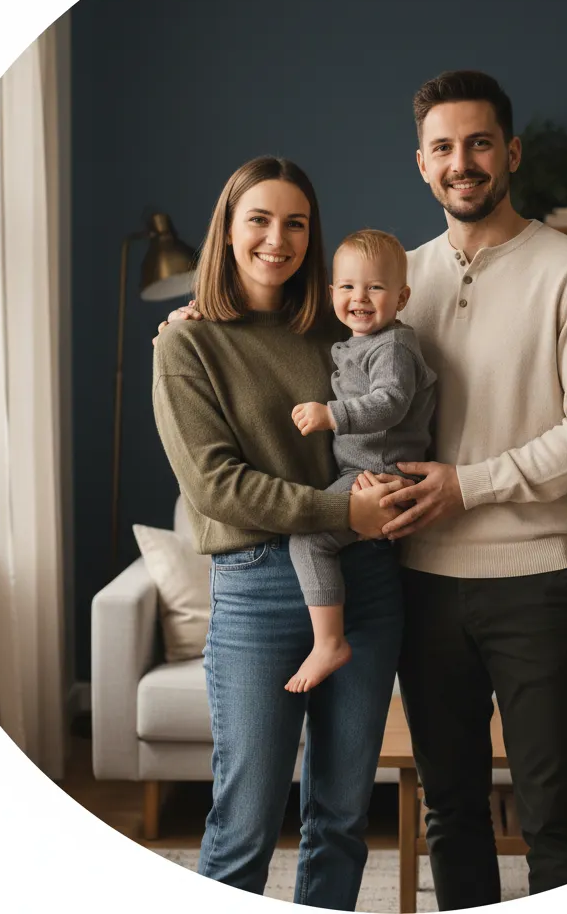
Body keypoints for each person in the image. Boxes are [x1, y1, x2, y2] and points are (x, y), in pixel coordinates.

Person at [162, 70, 567, 909]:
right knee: (440, 809)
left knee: (545, 812)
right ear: (421, 164)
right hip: (409, 577)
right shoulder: (391, 282)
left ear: (510, 152)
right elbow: (241, 426)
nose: (463, 162)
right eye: (444, 148)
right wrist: (188, 316)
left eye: (480, 143)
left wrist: (467, 487)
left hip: (518, 579)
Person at [151, 155, 405, 909]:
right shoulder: (185, 344)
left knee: (342, 816)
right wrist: (341, 514)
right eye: (259, 219)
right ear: (227, 231)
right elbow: (215, 487)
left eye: (296, 223)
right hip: (260, 587)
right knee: (246, 820)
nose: (278, 238)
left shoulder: (343, 330)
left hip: (365, 582)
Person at [285, 229, 436, 693]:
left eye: (375, 287)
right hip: (365, 472)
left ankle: (328, 642)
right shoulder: (355, 342)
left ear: (402, 296)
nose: (360, 298)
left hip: (383, 475)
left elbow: (390, 401)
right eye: (348, 287)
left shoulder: (392, 347)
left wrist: (333, 414)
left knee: (308, 539)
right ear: (332, 293)